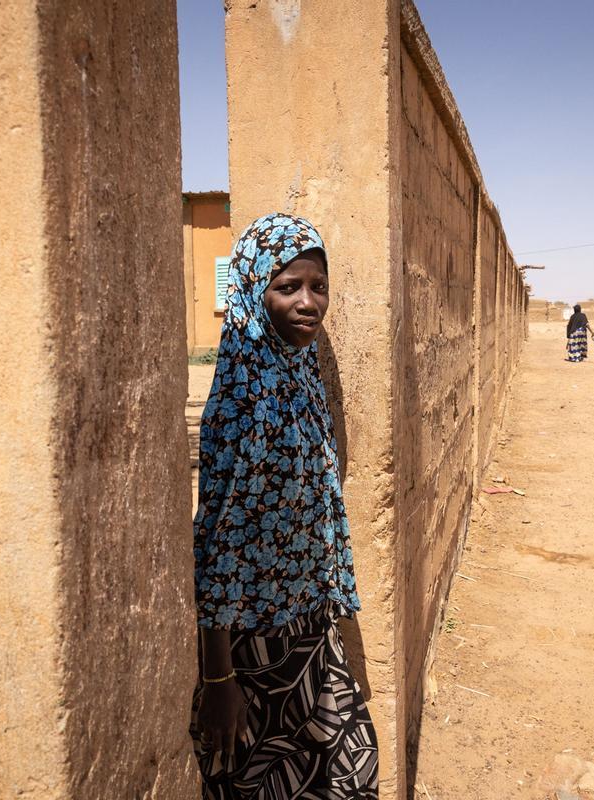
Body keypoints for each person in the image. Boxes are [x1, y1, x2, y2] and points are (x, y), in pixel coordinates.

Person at [190, 212, 379, 799]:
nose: (308, 302)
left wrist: (337, 626)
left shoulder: (299, 380)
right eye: (287, 286)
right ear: (252, 291)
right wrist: (219, 677)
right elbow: (215, 548)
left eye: (317, 286)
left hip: (308, 635)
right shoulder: (242, 402)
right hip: (251, 651)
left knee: (356, 773)